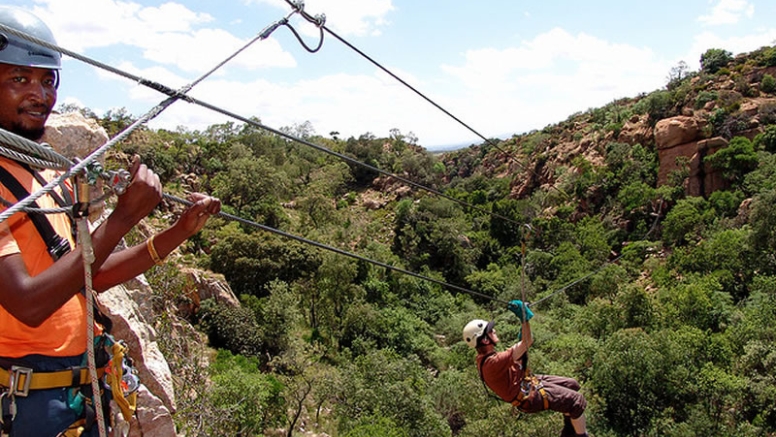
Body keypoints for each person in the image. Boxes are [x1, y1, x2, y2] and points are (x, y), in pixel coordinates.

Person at [0, 6, 221, 436]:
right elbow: (27, 304)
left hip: (77, 391)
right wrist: (121, 218)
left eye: (48, 81)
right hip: (25, 399)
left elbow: (88, 276)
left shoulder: (46, 174)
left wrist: (178, 231)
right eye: (19, 79)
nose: (39, 94)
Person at [463, 300, 589, 437]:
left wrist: (524, 327)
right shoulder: (493, 363)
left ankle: (569, 431)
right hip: (528, 396)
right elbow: (527, 342)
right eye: (490, 331)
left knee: (572, 385)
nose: (494, 331)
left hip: (527, 384)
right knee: (576, 401)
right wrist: (524, 319)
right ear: (486, 340)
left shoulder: (485, 358)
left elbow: (519, 349)